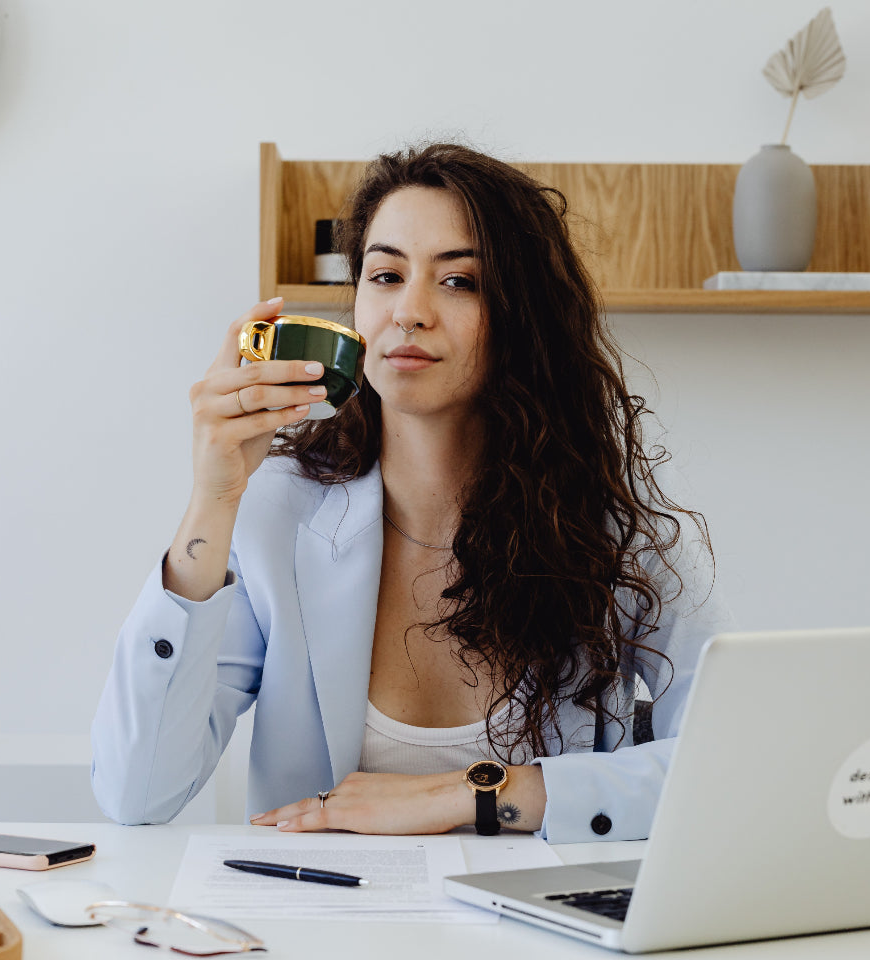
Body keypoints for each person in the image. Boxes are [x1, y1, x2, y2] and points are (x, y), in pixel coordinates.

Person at [90, 143, 732, 843]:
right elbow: (137, 792)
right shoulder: (278, 508)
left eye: (459, 282)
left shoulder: (613, 518)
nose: (410, 311)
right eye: (386, 274)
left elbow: (732, 761)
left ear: (524, 317)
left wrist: (476, 795)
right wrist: (213, 499)